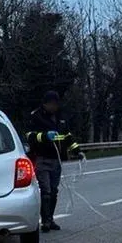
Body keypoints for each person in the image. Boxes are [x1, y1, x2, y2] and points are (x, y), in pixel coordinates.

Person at [25, 91, 84, 232]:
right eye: (51, 104)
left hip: (57, 159)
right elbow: (29, 135)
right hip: (42, 158)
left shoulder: (61, 117)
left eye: (56, 104)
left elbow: (67, 136)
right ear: (45, 104)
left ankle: (50, 219)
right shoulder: (36, 117)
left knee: (54, 191)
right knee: (45, 190)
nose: (54, 107)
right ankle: (44, 221)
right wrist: (45, 136)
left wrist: (77, 150)